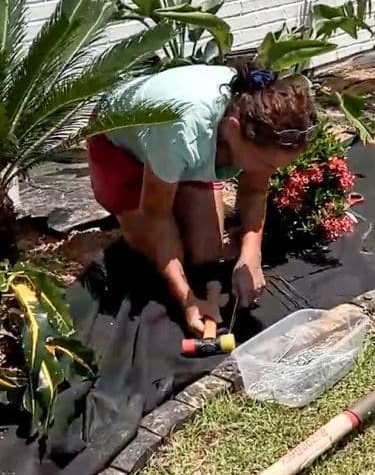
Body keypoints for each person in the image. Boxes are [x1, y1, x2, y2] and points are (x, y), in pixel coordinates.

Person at [87, 63, 317, 336]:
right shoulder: (182, 130)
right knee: (153, 251)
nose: (269, 173)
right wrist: (187, 300)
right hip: (119, 146)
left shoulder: (254, 120)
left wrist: (250, 255)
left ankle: (175, 179)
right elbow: (157, 217)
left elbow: (254, 190)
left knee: (207, 255)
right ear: (232, 129)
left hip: (178, 148)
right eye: (266, 164)